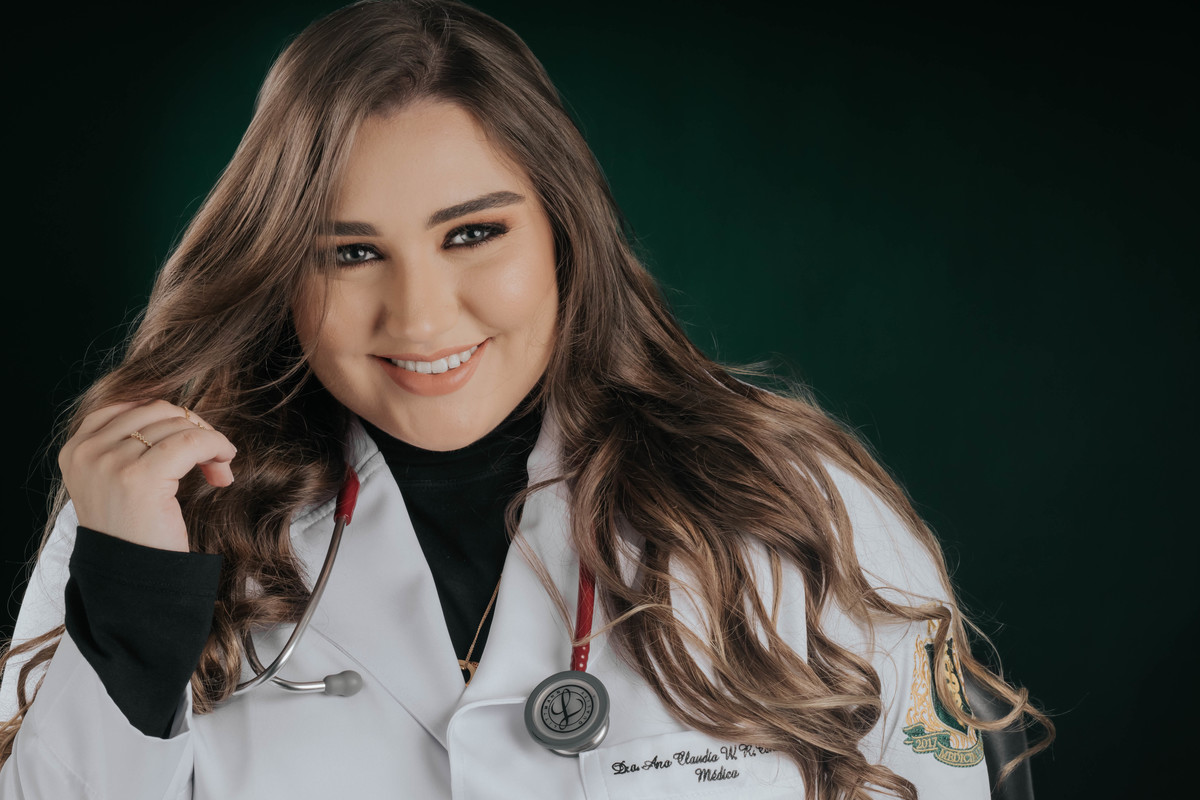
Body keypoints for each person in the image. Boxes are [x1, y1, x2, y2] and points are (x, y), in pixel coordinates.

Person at [0, 1, 1051, 797]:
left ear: (564, 231)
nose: (420, 317)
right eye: (350, 252)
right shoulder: (151, 523)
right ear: (281, 271)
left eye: (472, 234)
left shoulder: (793, 502)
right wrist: (137, 596)